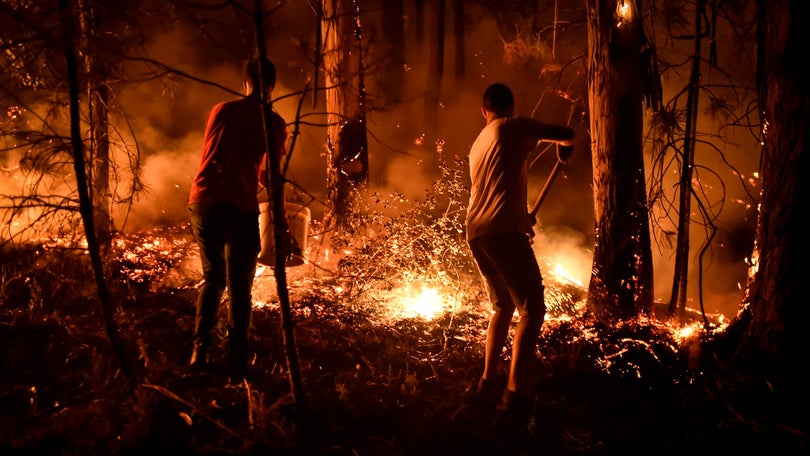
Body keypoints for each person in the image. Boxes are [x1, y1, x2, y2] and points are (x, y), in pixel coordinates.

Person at [465, 82, 575, 426]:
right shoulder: (513, 127)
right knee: (533, 309)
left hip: (477, 232)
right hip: (501, 234)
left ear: (484, 111)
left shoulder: (478, 143)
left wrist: (520, 215)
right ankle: (513, 393)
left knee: (502, 307)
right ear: (510, 108)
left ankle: (487, 381)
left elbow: (497, 188)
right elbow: (566, 132)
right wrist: (564, 151)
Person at [187, 57, 288, 380]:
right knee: (240, 287)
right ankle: (237, 359)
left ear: (246, 81)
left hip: (207, 200)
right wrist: (281, 217)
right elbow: (269, 176)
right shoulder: (273, 122)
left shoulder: (222, 111)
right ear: (271, 85)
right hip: (242, 207)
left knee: (214, 277)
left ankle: (200, 351)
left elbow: (218, 154)